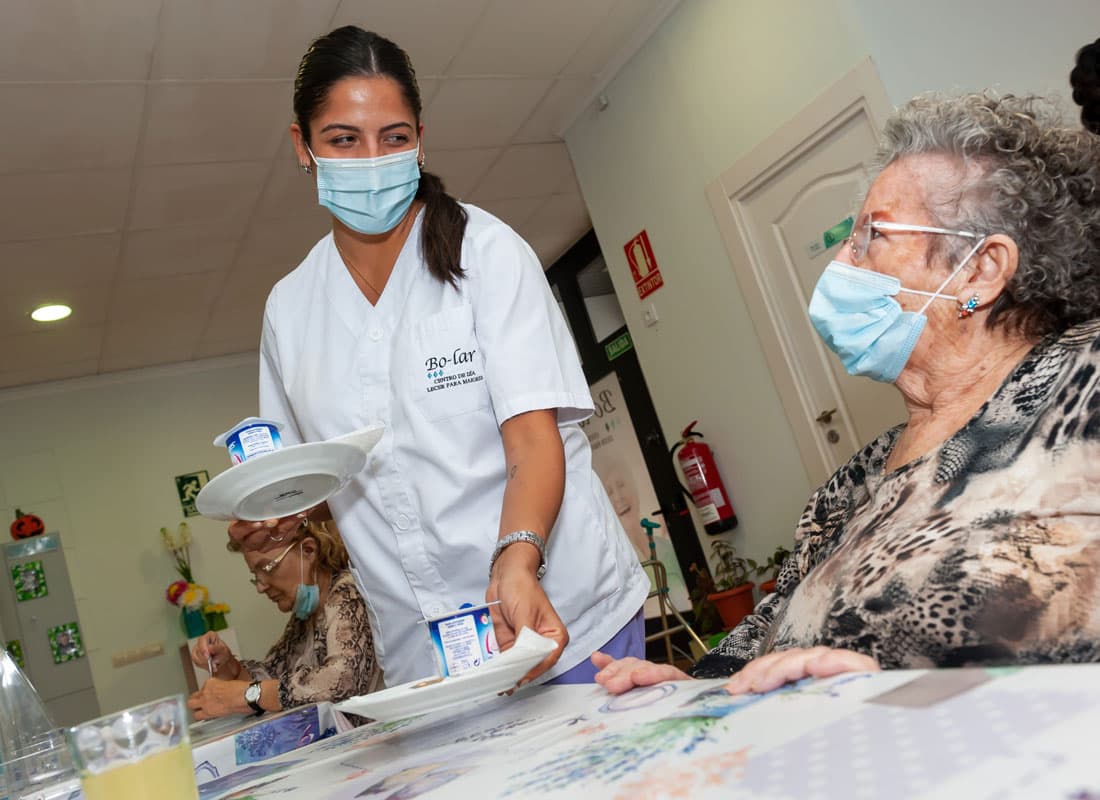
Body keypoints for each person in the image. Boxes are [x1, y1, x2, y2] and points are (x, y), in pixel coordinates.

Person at [594, 91, 1100, 697]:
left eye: (870, 236)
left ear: (980, 270)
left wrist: (900, 691)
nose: (841, 260)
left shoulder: (1085, 380)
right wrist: (687, 688)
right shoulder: (849, 486)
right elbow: (764, 634)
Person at [228, 26, 648, 688]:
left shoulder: (486, 254)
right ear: (302, 146)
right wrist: (275, 521)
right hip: (428, 657)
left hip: (560, 616)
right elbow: (313, 480)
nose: (371, 159)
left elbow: (533, 441)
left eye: (392, 137)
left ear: (420, 140)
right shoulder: (290, 310)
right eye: (344, 138)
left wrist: (516, 558)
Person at [188, 521, 381, 718]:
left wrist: (248, 695)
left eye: (266, 568)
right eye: (255, 576)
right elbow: (272, 676)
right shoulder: (304, 618)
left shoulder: (348, 591)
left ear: (309, 550)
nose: (260, 586)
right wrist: (228, 665)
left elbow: (342, 680)